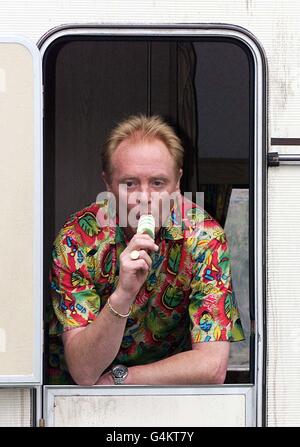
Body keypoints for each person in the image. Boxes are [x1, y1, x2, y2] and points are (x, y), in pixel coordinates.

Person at [47, 114, 245, 386]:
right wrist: (124, 293)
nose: (145, 197)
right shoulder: (77, 240)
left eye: (158, 183)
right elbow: (84, 371)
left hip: (167, 391)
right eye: (129, 184)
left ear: (177, 183)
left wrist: (123, 378)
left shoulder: (204, 238)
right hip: (78, 402)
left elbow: (212, 367)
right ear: (108, 185)